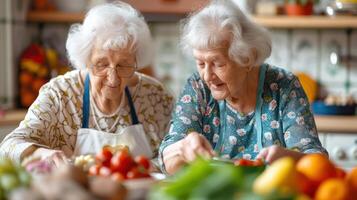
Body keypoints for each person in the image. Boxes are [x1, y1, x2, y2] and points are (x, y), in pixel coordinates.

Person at [159, 0, 327, 174]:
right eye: (201, 63)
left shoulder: (284, 86)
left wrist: (288, 158)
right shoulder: (197, 86)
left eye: (218, 63)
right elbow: (167, 159)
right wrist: (182, 149)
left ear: (247, 59)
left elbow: (316, 161)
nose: (207, 76)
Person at [0, 1, 174, 167]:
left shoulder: (155, 96)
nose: (113, 78)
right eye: (102, 64)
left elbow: (175, 156)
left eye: (123, 65)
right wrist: (40, 154)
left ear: (136, 61)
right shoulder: (60, 95)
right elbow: (9, 147)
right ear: (86, 59)